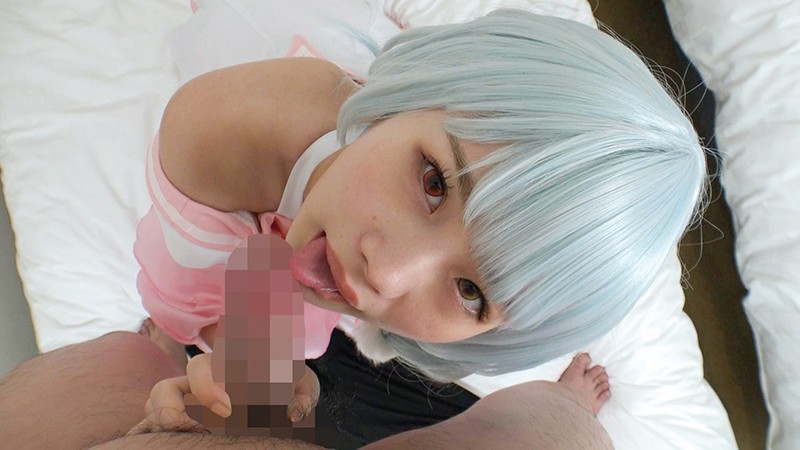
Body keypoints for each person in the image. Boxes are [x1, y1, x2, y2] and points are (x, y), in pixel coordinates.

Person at [0, 9, 705, 449]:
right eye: (433, 180)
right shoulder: (227, 127)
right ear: (413, 95)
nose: (385, 274)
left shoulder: (369, 236)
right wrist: (239, 356)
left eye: (471, 292)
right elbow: (202, 276)